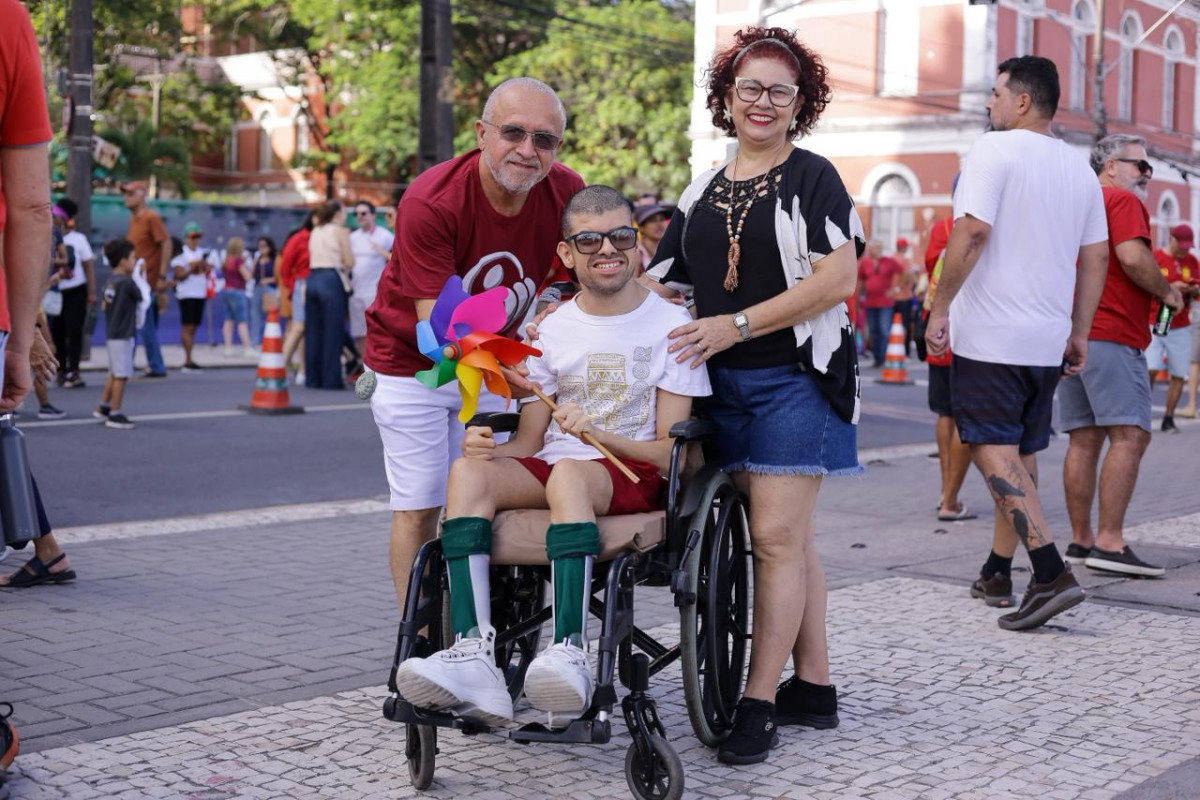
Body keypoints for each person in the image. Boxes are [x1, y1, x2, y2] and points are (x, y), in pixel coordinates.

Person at [396, 186, 710, 727]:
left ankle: (570, 651)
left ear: (638, 244)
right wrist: (487, 450)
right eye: (588, 239)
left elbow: (675, 453)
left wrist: (602, 439)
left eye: (620, 236)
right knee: (468, 470)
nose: (606, 249)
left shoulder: (671, 329)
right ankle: (474, 656)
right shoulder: (552, 329)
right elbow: (528, 444)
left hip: (626, 472)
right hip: (561, 468)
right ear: (566, 253)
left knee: (567, 472)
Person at [647, 27, 862, 764]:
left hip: (795, 380)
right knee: (789, 539)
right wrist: (578, 304)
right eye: (750, 88)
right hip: (717, 385)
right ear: (727, 98)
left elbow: (838, 279)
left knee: (772, 539)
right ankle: (817, 687)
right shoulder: (705, 184)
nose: (762, 102)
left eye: (780, 90)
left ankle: (759, 701)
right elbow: (663, 276)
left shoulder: (814, 176)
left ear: (800, 103)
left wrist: (734, 325)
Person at [363, 77, 584, 613]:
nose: (528, 151)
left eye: (545, 140)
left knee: (488, 494)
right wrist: (510, 368)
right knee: (420, 506)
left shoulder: (566, 191)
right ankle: (417, 641)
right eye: (513, 133)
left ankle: (483, 624)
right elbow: (436, 330)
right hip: (413, 365)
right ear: (482, 133)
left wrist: (556, 307)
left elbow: (573, 275)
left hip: (497, 364)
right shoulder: (431, 200)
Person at [925, 56, 1110, 628]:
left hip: (992, 336)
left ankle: (1050, 572)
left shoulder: (993, 151)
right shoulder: (1080, 167)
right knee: (1021, 457)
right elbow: (1095, 256)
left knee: (988, 447)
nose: (988, 103)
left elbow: (972, 231)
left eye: (995, 93)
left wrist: (940, 306)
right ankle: (997, 572)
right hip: (1046, 338)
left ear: (1022, 101)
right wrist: (1079, 331)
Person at [1057, 135, 1183, 579]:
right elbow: (1132, 257)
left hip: (1077, 332)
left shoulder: (1078, 202)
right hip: (1112, 333)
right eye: (1139, 166)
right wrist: (1167, 290)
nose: (1146, 175)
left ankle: (1081, 541)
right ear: (1110, 166)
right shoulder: (1121, 202)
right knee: (1130, 435)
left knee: (1083, 439)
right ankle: (1110, 543)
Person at [0, 0, 75, 591]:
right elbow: (29, 208)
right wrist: (22, 340)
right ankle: (47, 549)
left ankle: (48, 550)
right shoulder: (6, 18)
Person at [922, 201, 976, 523]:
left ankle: (945, 490)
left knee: (945, 412)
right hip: (972, 331)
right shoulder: (983, 226)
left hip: (940, 330)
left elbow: (931, 269)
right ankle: (951, 500)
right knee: (966, 416)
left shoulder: (941, 228)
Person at [1146, 224, 1199, 432]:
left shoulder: (1192, 261)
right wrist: (1169, 288)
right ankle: (1144, 412)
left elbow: (1197, 292)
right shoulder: (1156, 258)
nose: (1185, 250)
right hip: (1161, 316)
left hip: (1181, 319)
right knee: (1152, 366)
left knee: (1178, 372)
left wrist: (1193, 290)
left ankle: (1168, 417)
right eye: (1182, 246)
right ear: (1172, 239)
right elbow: (1146, 286)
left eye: (1188, 247)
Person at [121, 180, 170, 378]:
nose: (126, 197)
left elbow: (165, 244)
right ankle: (132, 364)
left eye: (130, 193)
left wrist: (161, 276)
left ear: (142, 194)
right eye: (125, 193)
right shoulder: (134, 219)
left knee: (144, 325)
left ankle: (154, 366)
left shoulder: (151, 217)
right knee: (137, 325)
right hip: (136, 282)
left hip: (145, 283)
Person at [306, 200, 353, 388]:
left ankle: (312, 377)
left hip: (313, 278)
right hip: (331, 278)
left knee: (313, 330)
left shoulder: (315, 230)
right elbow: (349, 260)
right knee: (333, 331)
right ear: (338, 213)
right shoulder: (340, 231)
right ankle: (331, 379)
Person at [48, 197, 94, 387]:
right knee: (57, 331)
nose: (53, 218)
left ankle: (74, 370)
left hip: (76, 290)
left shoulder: (78, 239)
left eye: (57, 216)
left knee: (74, 331)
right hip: (55, 288)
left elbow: (88, 266)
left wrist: (92, 293)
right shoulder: (48, 236)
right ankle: (60, 370)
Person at [94, 239, 140, 429]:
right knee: (122, 374)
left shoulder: (110, 281)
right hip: (123, 333)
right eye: (133, 257)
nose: (135, 261)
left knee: (112, 372)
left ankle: (103, 406)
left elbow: (104, 306)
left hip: (112, 331)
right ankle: (115, 413)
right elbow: (141, 296)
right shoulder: (127, 283)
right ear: (123, 261)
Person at [349, 200, 394, 357]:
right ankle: (364, 370)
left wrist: (380, 250)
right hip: (355, 292)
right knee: (359, 332)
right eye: (356, 214)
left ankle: (376, 368)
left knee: (376, 331)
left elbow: (397, 259)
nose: (359, 217)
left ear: (373, 215)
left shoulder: (385, 235)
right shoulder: (352, 237)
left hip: (374, 292)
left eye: (363, 213)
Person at [172, 222, 217, 372]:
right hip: (186, 294)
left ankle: (190, 358)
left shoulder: (201, 252)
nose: (195, 240)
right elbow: (180, 275)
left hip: (199, 293)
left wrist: (206, 266)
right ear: (186, 238)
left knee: (194, 327)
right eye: (192, 237)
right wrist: (194, 266)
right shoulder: (182, 255)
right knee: (188, 326)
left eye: (197, 237)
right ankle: (187, 359)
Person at [279, 210, 315, 384]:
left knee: (305, 330)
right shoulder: (300, 238)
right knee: (298, 327)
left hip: (313, 283)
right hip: (303, 283)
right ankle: (279, 368)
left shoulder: (318, 237)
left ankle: (303, 369)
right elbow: (286, 264)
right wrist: (290, 284)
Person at [857, 239, 901, 366]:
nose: (879, 250)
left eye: (880, 247)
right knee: (873, 331)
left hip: (886, 303)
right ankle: (878, 358)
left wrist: (896, 289)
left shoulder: (889, 261)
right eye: (876, 248)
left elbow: (905, 274)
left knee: (884, 330)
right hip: (870, 303)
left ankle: (884, 357)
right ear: (870, 250)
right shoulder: (865, 263)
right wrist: (858, 301)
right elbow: (860, 282)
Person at [218, 236, 254, 357]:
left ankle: (228, 347)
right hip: (237, 291)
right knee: (242, 321)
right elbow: (247, 277)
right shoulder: (239, 261)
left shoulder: (227, 260)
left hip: (226, 290)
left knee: (228, 320)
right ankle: (247, 348)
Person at [250, 236, 278, 348]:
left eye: (264, 246)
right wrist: (255, 261)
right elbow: (252, 274)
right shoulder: (257, 259)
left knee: (270, 316)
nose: (262, 248)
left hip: (270, 289)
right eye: (260, 246)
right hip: (257, 288)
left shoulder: (274, 260)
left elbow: (278, 277)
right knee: (255, 316)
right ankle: (254, 342)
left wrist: (268, 280)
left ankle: (269, 340)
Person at [634, 202, 672, 270]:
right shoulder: (636, 254)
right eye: (652, 220)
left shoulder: (671, 250)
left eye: (661, 219)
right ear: (641, 227)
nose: (659, 224)